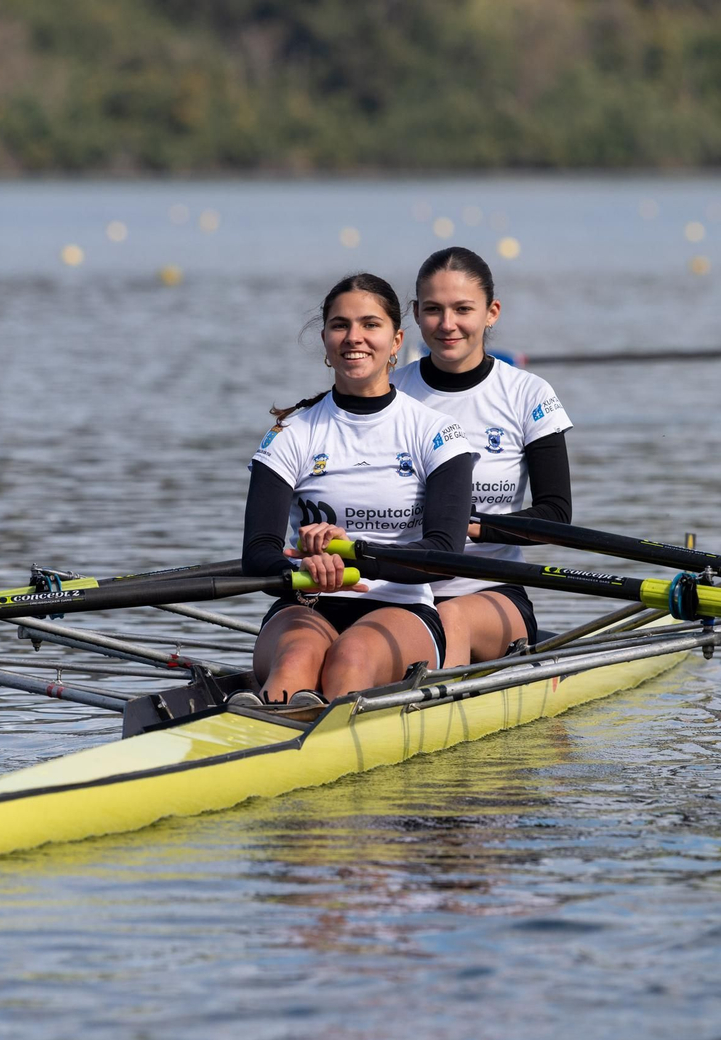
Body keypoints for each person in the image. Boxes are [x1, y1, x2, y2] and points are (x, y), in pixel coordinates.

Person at [240, 273, 474, 709]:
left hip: (402, 607)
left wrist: (353, 553)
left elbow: (446, 554)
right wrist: (307, 564)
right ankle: (262, 744)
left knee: (351, 658)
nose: (354, 338)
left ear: (397, 339)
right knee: (294, 663)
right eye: (340, 325)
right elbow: (258, 551)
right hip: (307, 601)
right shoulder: (291, 433)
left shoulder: (437, 434)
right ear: (326, 339)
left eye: (370, 324)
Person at [393, 247, 574, 667]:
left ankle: (436, 711)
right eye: (434, 310)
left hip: (489, 590)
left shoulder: (528, 394)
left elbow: (556, 515)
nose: (447, 324)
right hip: (399, 586)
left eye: (463, 309)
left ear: (491, 312)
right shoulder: (390, 393)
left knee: (450, 615)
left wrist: (473, 528)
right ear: (417, 314)